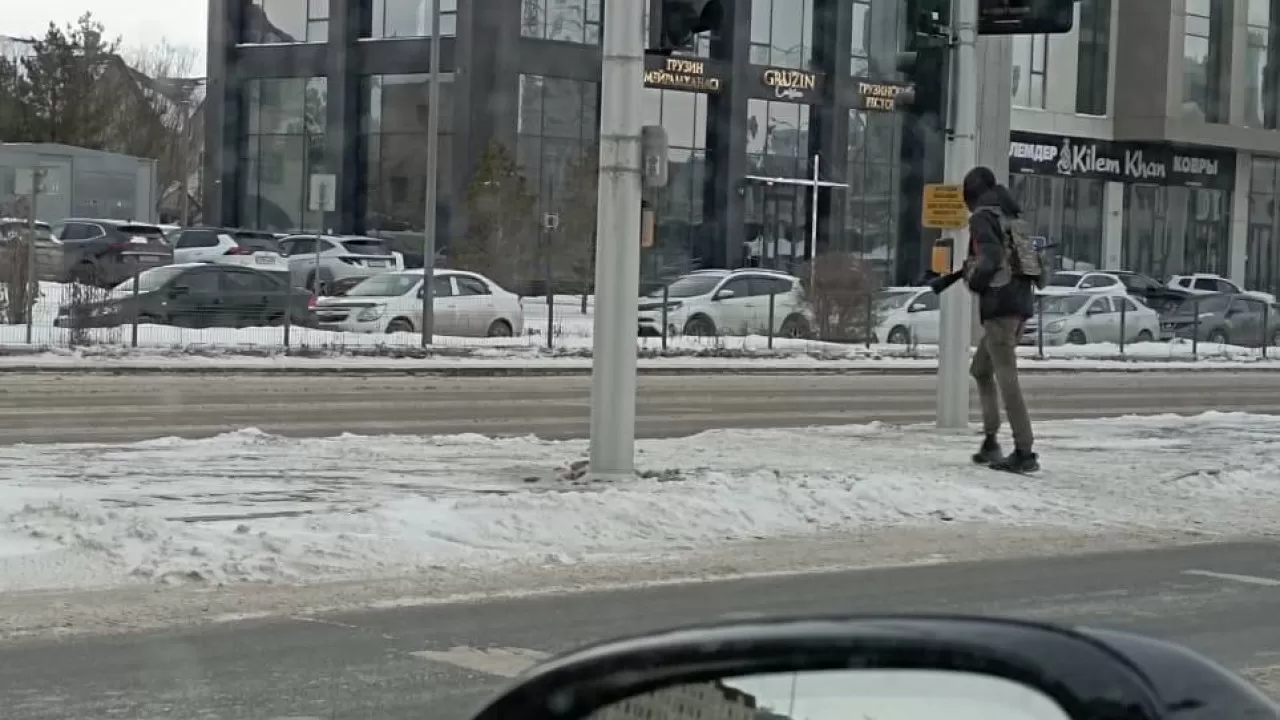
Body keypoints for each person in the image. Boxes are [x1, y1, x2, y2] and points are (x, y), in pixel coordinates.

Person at [960, 166, 1039, 473]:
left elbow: (990, 260)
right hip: (1019, 306)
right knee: (981, 369)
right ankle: (991, 441)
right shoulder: (1011, 216)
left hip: (999, 309)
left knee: (1007, 379)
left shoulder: (982, 217)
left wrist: (974, 280)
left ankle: (1024, 451)